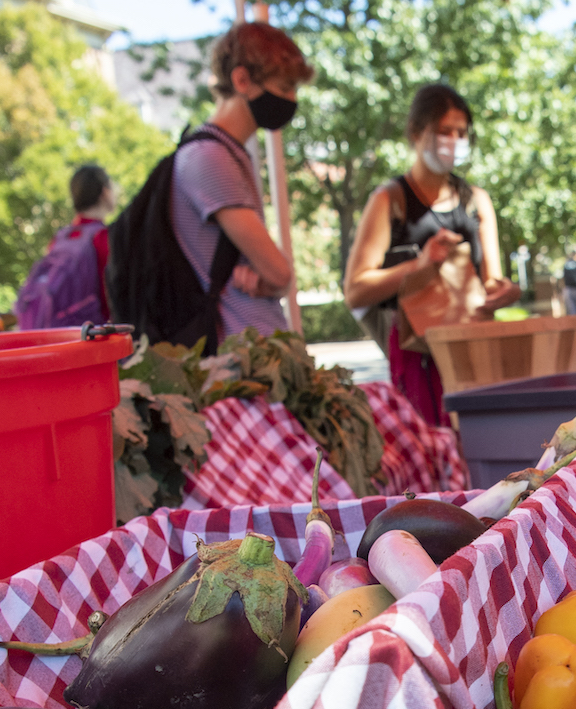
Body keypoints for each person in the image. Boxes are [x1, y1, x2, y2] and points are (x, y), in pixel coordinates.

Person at [342, 83, 520, 424]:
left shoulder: (476, 200)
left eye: (461, 133)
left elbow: (492, 282)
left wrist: (506, 292)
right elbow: (356, 290)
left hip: (473, 353)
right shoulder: (390, 200)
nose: (453, 140)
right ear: (416, 132)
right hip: (418, 360)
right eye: (443, 131)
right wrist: (420, 264)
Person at [172, 21, 310, 346]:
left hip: (254, 350)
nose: (291, 99)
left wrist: (272, 280)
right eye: (285, 86)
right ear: (242, 80)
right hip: (239, 360)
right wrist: (274, 280)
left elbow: (274, 277)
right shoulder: (210, 158)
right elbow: (280, 274)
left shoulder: (230, 153)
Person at [14, 164, 116, 329]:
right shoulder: (104, 238)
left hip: (57, 333)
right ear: (105, 193)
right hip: (91, 338)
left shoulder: (60, 238)